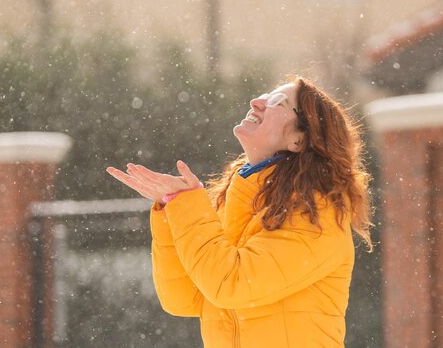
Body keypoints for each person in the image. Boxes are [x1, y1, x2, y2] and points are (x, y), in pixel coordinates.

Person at [107, 76, 373, 348]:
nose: (256, 103)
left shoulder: (318, 215)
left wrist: (185, 204)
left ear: (298, 140)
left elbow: (230, 283)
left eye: (276, 102)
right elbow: (185, 298)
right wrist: (172, 208)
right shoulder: (237, 199)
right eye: (264, 95)